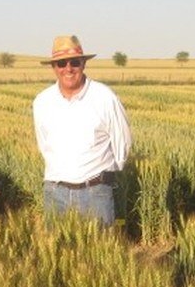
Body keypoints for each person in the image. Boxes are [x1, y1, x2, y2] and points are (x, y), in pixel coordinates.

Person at [33, 35, 132, 227]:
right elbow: (44, 145)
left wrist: (104, 177)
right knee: (57, 246)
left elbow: (123, 143)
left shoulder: (105, 98)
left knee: (101, 245)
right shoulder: (42, 102)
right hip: (55, 193)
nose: (68, 68)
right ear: (54, 67)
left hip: (96, 193)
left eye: (75, 62)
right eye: (61, 63)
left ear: (83, 64)